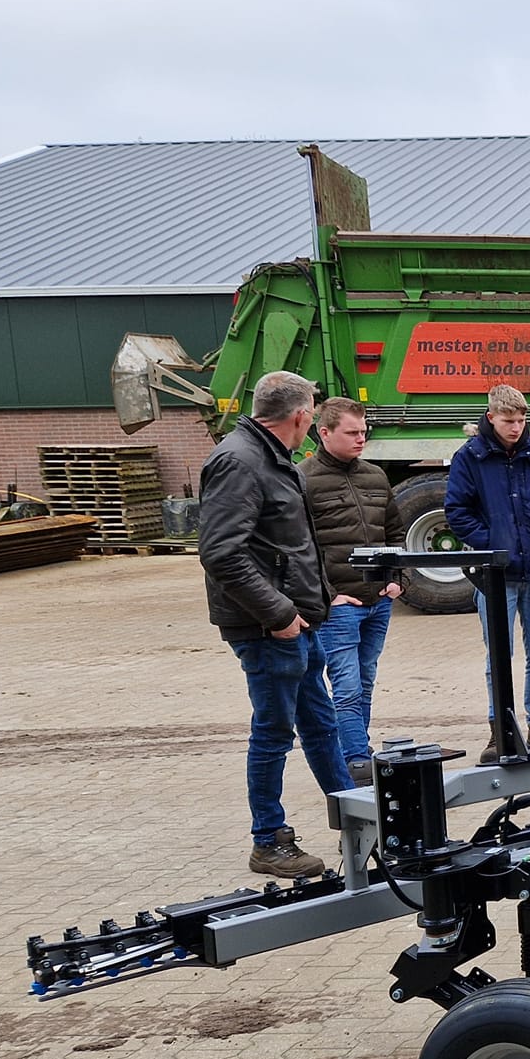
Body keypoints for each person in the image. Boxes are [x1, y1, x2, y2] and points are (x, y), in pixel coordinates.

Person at [198, 370, 353, 879]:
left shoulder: (269, 457)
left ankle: (359, 819)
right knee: (273, 733)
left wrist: (315, 603)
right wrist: (280, 614)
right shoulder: (240, 462)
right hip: (268, 629)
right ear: (302, 416)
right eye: (312, 411)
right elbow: (221, 553)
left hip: (297, 621)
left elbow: (288, 546)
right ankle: (268, 841)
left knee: (321, 724)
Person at [444, 384, 530, 761]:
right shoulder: (470, 457)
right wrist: (492, 545)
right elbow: (457, 510)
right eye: (508, 421)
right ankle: (499, 728)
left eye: (520, 420)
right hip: (495, 575)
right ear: (491, 418)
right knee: (498, 656)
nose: (516, 427)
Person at [300, 396, 405, 786]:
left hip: (379, 600)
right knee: (345, 684)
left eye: (364, 431)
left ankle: (357, 754)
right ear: (323, 432)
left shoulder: (376, 477)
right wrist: (328, 596)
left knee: (364, 680)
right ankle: (357, 760)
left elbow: (394, 531)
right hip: (340, 604)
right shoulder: (303, 478)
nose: (361, 439)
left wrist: (397, 579)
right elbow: (301, 546)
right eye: (352, 432)